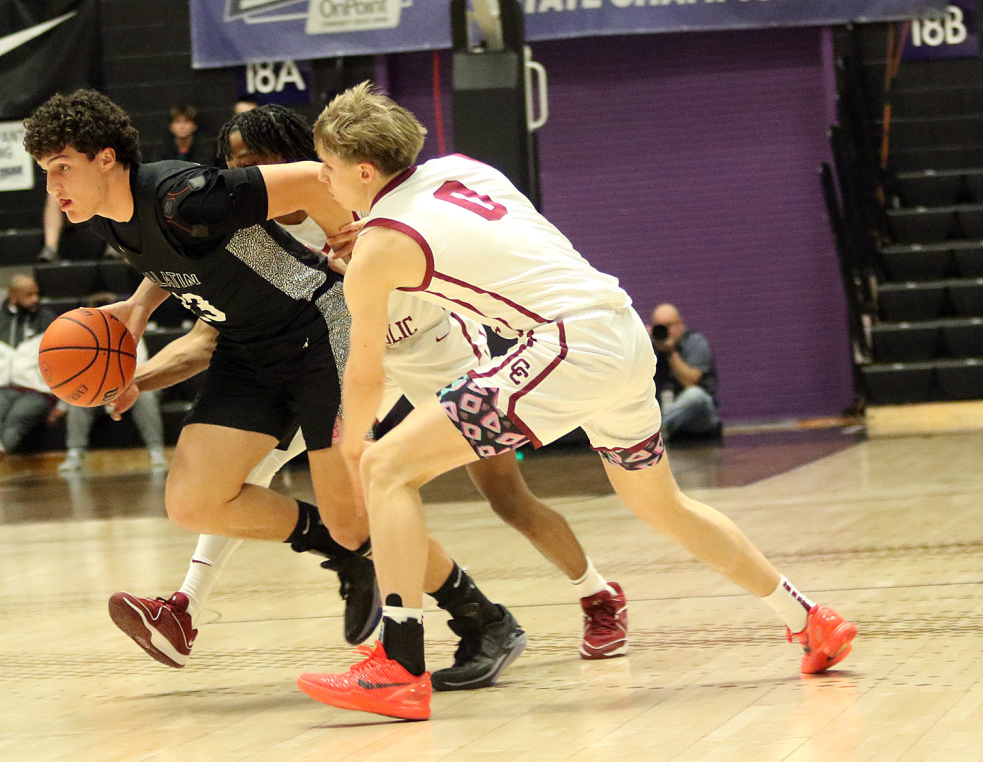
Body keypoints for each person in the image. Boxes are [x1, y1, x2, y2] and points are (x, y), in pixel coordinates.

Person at [295, 83, 857, 721]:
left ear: (363, 171)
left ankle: (397, 666)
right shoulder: (463, 169)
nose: (323, 179)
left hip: (565, 347)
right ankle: (809, 619)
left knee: (384, 466)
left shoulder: (379, 248)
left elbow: (366, 370)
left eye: (329, 168)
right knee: (662, 503)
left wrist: (350, 440)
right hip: (620, 330)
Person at [22, 89, 520, 678]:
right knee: (192, 501)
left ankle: (482, 619)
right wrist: (135, 314)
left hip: (318, 330)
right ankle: (344, 556)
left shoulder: (184, 195)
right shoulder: (110, 216)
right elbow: (175, 261)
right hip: (248, 350)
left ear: (106, 159)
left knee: (355, 519)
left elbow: (314, 178)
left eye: (61, 169)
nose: (53, 188)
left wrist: (350, 236)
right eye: (45, 174)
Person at [0, 275, 62, 479]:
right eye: (29, 295)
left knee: (17, 419)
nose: (35, 299)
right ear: (13, 296)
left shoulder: (50, 322)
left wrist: (62, 405)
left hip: (36, 392)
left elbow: (64, 363)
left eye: (36, 294)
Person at [58, 291, 168, 473]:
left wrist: (115, 383)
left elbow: (138, 367)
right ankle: (74, 454)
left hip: (127, 384)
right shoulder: (80, 339)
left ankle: (156, 452)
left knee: (146, 395)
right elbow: (74, 374)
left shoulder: (128, 330)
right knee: (78, 398)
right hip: (97, 388)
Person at [650, 303, 722, 439]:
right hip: (665, 409)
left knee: (695, 395)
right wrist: (643, 343)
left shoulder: (696, 342)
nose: (664, 331)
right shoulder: (649, 346)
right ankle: (662, 426)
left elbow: (689, 381)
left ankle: (657, 430)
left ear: (680, 325)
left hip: (699, 417)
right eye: (659, 327)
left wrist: (670, 352)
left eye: (668, 326)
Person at [152, 105, 217, 165]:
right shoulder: (162, 150)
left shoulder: (206, 150)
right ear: (171, 126)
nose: (182, 126)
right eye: (177, 121)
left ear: (195, 126)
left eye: (187, 121)